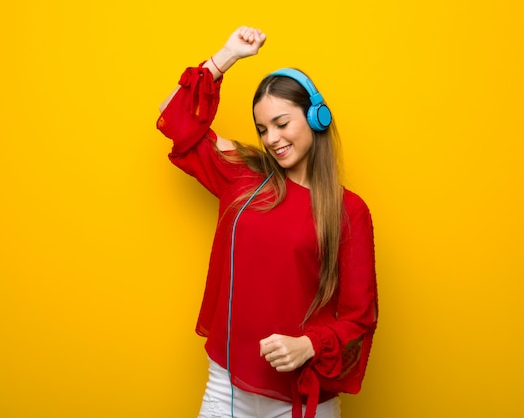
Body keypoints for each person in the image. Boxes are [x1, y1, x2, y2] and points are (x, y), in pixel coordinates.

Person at [157, 26, 378, 418]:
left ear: (316, 117)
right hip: (227, 386)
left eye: (281, 123)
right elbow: (172, 120)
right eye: (262, 129)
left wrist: (309, 345)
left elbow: (360, 315)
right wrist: (225, 56)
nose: (272, 138)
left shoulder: (349, 211)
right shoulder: (242, 177)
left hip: (303, 396)